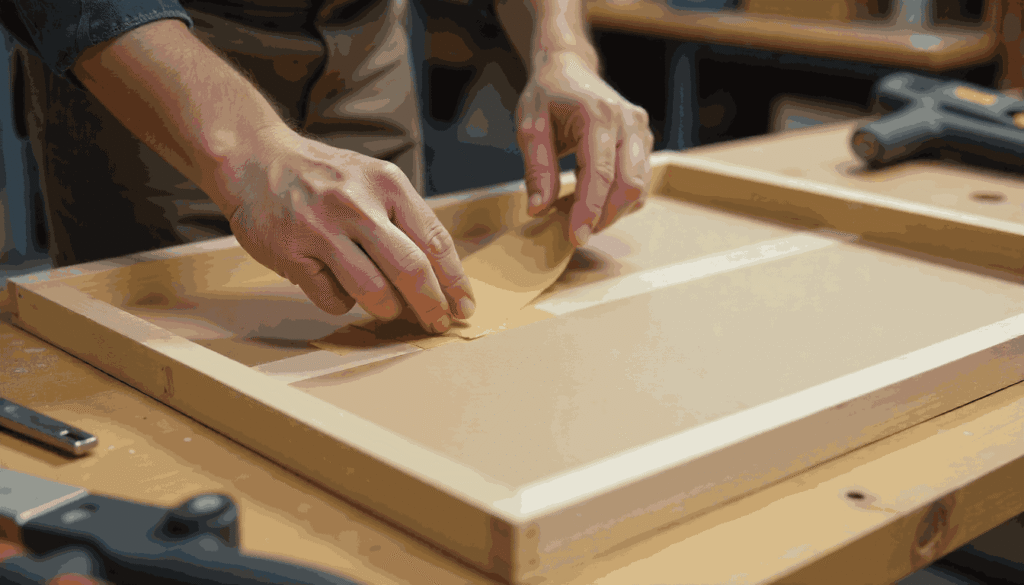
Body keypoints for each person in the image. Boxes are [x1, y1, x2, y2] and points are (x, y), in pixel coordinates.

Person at [0, 0, 654, 334]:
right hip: (163, 44)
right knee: (186, 382)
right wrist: (249, 158)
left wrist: (563, 48)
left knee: (397, 325)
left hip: (365, 33)